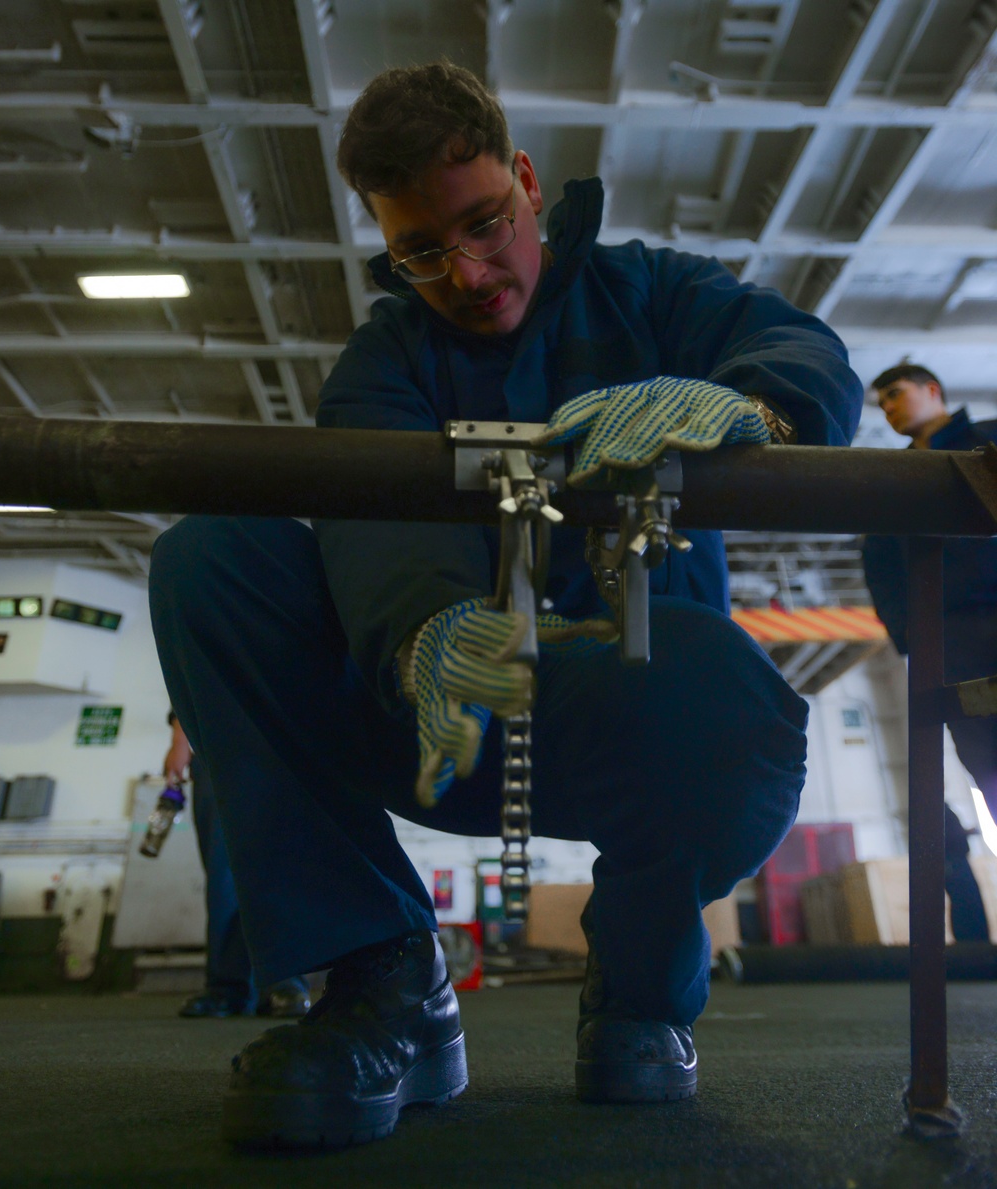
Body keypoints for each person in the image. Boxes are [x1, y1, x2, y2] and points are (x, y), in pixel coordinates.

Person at [148, 61, 864, 1151]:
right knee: (211, 555)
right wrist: (427, 633)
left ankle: (636, 996)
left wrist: (745, 401)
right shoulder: (383, 363)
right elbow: (373, 530)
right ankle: (382, 980)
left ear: (524, 178)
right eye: (422, 251)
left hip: (636, 716)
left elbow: (809, 351)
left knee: (716, 680)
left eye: (485, 222)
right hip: (441, 712)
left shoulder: (657, 295)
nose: (469, 272)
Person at [862, 362, 997, 941]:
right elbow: (880, 566)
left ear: (932, 390)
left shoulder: (988, 441)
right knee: (987, 769)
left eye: (896, 394)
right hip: (950, 640)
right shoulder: (891, 478)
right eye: (882, 401)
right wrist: (912, 637)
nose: (889, 407)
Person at [163, 711, 312, 1018]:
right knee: (223, 871)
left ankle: (285, 981)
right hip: (215, 738)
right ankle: (228, 987)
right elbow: (190, 667)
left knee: (283, 863)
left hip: (284, 735)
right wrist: (179, 740)